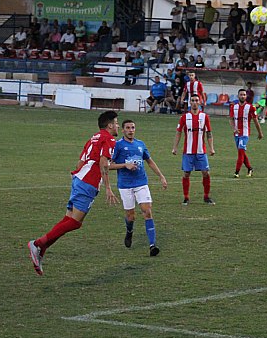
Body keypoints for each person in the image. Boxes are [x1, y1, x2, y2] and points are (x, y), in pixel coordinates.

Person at [27, 111, 119, 275]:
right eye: (116, 123)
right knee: (75, 222)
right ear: (110, 125)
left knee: (68, 219)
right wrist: (108, 188)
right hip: (88, 181)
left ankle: (41, 249)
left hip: (79, 177)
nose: (118, 126)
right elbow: (104, 163)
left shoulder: (94, 137)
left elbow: (81, 160)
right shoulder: (110, 139)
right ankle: (38, 244)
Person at [109, 119, 167, 256]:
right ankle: (129, 232)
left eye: (133, 127)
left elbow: (149, 161)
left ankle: (152, 245)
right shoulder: (117, 146)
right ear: (123, 130)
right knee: (131, 216)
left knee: (147, 211)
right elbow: (108, 165)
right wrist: (124, 165)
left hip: (141, 183)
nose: (131, 130)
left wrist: (161, 176)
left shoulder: (141, 144)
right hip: (125, 185)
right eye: (128, 128)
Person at [172, 94, 215, 206]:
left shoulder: (205, 117)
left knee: (206, 173)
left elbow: (209, 133)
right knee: (186, 173)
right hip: (188, 151)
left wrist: (211, 148)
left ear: (199, 102)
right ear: (190, 103)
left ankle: (206, 197)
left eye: (196, 100)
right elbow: (178, 132)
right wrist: (175, 147)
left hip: (201, 151)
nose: (195, 102)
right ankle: (186, 198)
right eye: (193, 100)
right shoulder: (184, 117)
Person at [230, 89, 264, 178]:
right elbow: (231, 119)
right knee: (242, 153)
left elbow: (256, 121)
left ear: (246, 96)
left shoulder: (251, 107)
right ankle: (250, 168)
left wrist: (260, 133)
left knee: (240, 151)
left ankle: (236, 172)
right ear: (238, 96)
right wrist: (234, 129)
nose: (242, 96)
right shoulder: (233, 107)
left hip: (245, 134)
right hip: (236, 134)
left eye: (244, 95)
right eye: (241, 94)